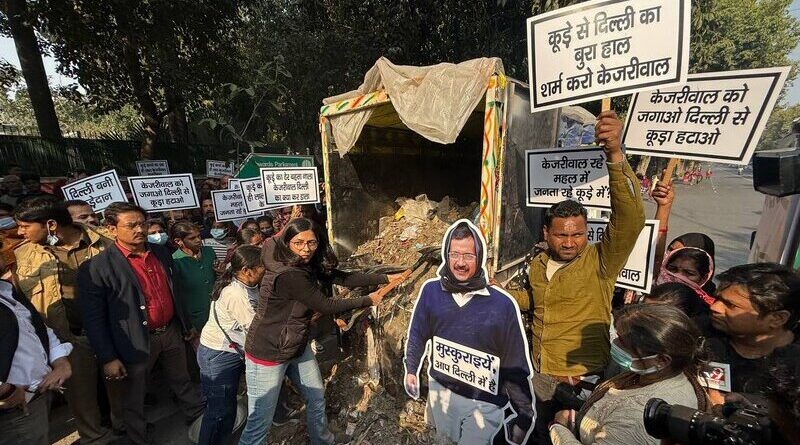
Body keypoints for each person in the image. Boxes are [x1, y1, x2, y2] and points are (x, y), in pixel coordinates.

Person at [504, 110, 645, 443]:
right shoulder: (538, 263)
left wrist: (614, 155)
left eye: (578, 235)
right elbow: (535, 299)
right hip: (540, 374)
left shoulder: (601, 262)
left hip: (581, 380)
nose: (570, 243)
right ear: (546, 233)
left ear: (586, 233)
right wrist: (505, 295)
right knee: (536, 436)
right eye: (561, 235)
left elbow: (631, 217)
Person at [238, 217, 402, 445]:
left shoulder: (307, 264)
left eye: (311, 243)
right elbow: (325, 304)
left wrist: (384, 277)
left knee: (316, 398)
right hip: (268, 353)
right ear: (287, 243)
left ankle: (323, 440)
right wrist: (368, 299)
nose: (306, 249)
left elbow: (343, 277)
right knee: (259, 423)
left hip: (295, 344)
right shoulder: (288, 273)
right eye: (299, 243)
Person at [77, 202, 204, 445]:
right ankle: (140, 438)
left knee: (182, 379)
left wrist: (186, 326)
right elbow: (94, 319)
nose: (140, 229)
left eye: (142, 224)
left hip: (171, 332)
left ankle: (197, 415)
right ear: (111, 229)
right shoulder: (96, 268)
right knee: (133, 396)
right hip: (133, 341)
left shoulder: (161, 253)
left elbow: (175, 292)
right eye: (131, 225)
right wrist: (107, 357)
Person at [404, 220, 534, 445]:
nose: (460, 263)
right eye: (454, 254)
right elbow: (417, 333)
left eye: (468, 256)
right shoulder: (431, 292)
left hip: (484, 404)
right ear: (446, 255)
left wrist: (524, 415)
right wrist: (412, 369)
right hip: (441, 392)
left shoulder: (502, 305)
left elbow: (514, 363)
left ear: (480, 257)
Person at [13, 197, 122, 444]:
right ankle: (95, 438)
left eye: (25, 226)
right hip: (69, 339)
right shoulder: (22, 255)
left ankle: (124, 427)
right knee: (81, 397)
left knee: (119, 388)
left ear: (51, 224)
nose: (20, 232)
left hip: (112, 332)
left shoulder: (106, 241)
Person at [549, 304, 708, 445]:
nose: (615, 344)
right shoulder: (663, 374)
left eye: (623, 343)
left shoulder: (637, 418)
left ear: (661, 360)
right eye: (617, 337)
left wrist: (559, 428)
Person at [0, 242, 73, 445]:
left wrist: (60, 361)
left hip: (35, 399)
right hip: (13, 411)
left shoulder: (7, 293)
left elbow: (37, 329)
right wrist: (6, 391)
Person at [197, 245, 264, 445]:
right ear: (246, 270)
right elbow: (256, 330)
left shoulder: (249, 285)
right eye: (262, 266)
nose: (265, 269)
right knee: (220, 412)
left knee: (227, 409)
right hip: (219, 355)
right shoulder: (235, 294)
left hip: (232, 351)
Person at [705, 263, 800, 399]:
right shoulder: (697, 334)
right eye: (718, 299)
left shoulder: (795, 366)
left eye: (731, 305)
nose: (715, 307)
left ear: (777, 319)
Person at [171, 221, 217, 332]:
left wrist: (220, 273)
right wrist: (188, 325)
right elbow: (177, 295)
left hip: (217, 312)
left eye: (199, 236)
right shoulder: (175, 261)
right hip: (195, 320)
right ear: (178, 241)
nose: (198, 240)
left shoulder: (209, 252)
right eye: (192, 238)